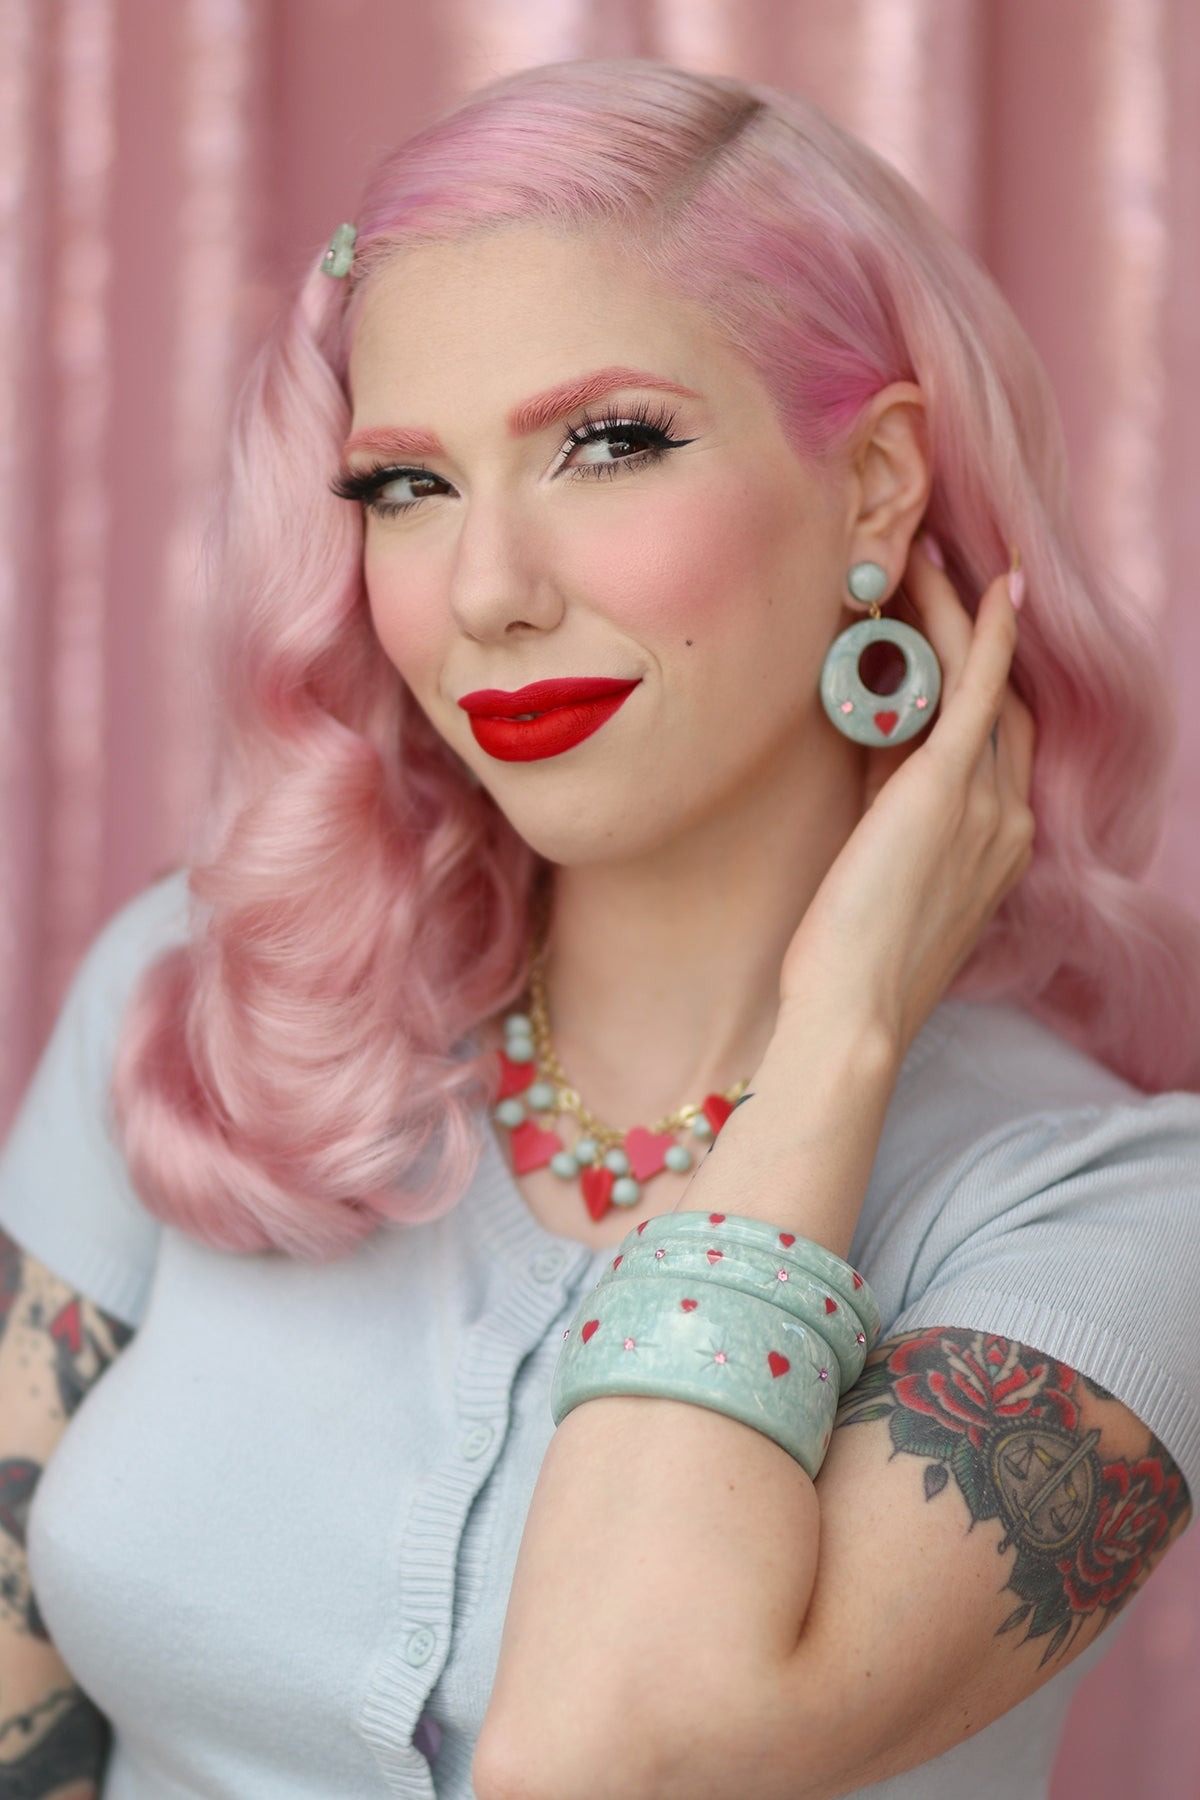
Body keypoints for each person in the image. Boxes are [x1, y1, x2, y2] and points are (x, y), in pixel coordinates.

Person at [1, 53, 1199, 1800]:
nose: (486, 591)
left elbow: (608, 1755)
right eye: (404, 485)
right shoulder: (206, 1007)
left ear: (876, 486)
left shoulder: (1116, 1221)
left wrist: (839, 1033)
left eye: (608, 444)